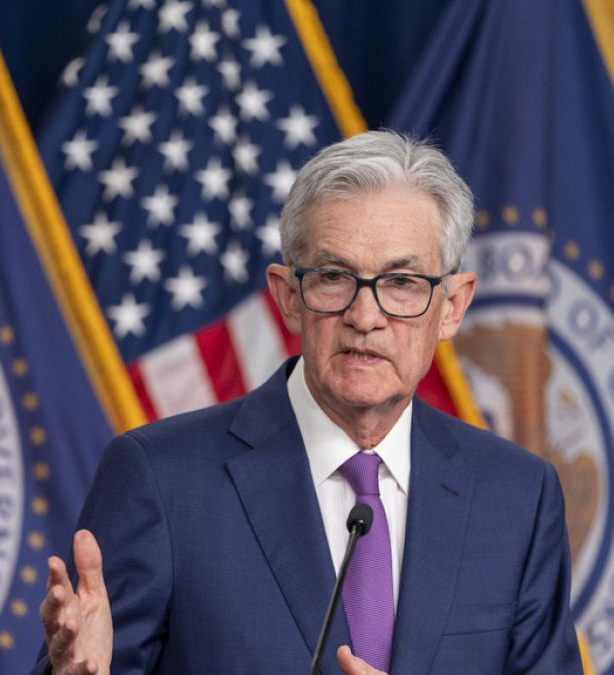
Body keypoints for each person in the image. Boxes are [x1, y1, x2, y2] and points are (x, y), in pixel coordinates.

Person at [34, 130, 582, 674]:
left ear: (452, 306)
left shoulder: (517, 498)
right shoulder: (161, 479)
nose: (365, 317)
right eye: (333, 278)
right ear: (287, 297)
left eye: (402, 283)